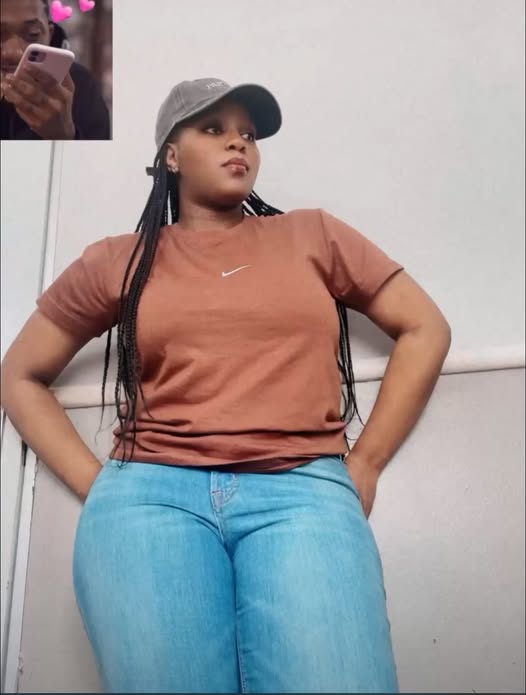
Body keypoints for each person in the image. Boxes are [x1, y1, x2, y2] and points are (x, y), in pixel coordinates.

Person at [0, 77, 452, 693]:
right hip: (150, 502)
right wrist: (101, 484)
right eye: (213, 129)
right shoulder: (116, 260)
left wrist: (366, 462)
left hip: (302, 490)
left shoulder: (313, 234)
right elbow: (19, 374)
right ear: (170, 155)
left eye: (248, 133)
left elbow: (425, 327)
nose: (238, 142)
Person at [0, 0, 110, 140]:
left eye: (33, 34)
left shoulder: (81, 84)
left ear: (49, 35)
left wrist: (64, 136)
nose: (13, 52)